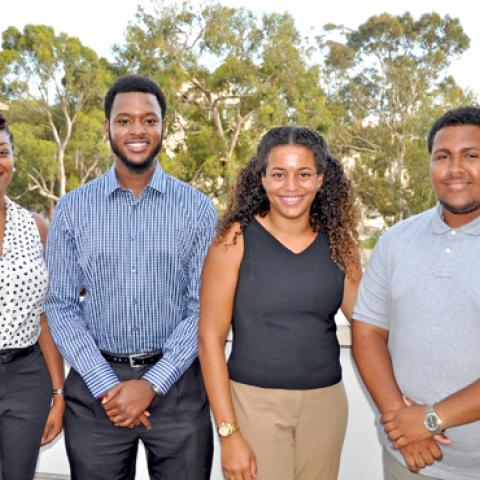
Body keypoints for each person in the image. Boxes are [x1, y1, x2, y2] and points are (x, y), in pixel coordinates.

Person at [44, 75, 217, 479]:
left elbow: (203, 306)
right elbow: (59, 305)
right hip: (95, 388)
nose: (137, 130)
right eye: (124, 121)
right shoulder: (72, 210)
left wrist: (152, 383)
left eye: (148, 120)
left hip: (178, 387)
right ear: (107, 128)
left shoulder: (197, 209)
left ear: (163, 128)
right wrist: (108, 385)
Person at [199, 126, 362, 480]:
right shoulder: (234, 240)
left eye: (303, 174)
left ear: (320, 179)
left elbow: (368, 328)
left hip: (326, 407)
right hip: (253, 405)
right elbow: (209, 340)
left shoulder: (340, 245)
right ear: (262, 179)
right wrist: (229, 433)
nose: (291, 186)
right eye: (279, 174)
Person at [352, 106, 480, 480]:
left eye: (471, 155)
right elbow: (369, 331)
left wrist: (429, 419)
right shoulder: (396, 241)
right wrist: (403, 426)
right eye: (443, 156)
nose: (455, 169)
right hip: (408, 460)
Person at [0, 113, 64, 480]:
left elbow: (45, 317)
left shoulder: (37, 228)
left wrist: (58, 394)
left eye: (2, 151)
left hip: (27, 378)